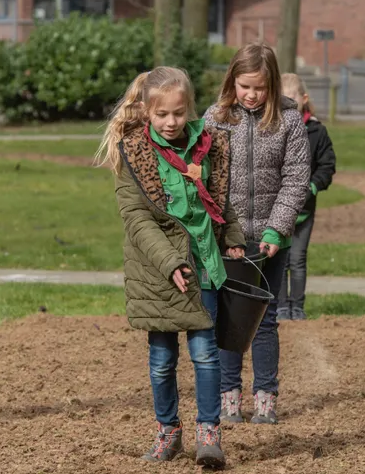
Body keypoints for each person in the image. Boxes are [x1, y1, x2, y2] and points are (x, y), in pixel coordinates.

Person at [96, 66, 246, 467]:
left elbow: (218, 198)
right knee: (162, 361)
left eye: (179, 113)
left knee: (205, 356)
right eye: (162, 114)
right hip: (158, 272)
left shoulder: (210, 145)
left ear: (189, 108)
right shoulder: (133, 152)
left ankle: (208, 434)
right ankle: (168, 432)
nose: (171, 122)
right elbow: (137, 218)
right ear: (147, 110)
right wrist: (169, 263)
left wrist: (232, 238)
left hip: (203, 265)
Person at [203, 43, 311, 425]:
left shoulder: (288, 120)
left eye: (260, 88)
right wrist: (225, 233)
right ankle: (228, 396)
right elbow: (208, 179)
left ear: (273, 85)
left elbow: (297, 177)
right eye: (244, 86)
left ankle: (265, 397)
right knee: (230, 320)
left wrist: (276, 229)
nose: (251, 95)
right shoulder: (215, 119)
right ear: (232, 81)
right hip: (229, 240)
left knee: (265, 321)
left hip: (269, 240)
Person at [276, 74, 336, 321]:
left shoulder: (317, 131)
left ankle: (296, 306)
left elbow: (327, 165)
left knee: (297, 259)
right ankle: (280, 306)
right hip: (278, 209)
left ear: (303, 98)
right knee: (279, 259)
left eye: (291, 99)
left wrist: (313, 185)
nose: (287, 104)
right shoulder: (271, 130)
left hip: (304, 210)